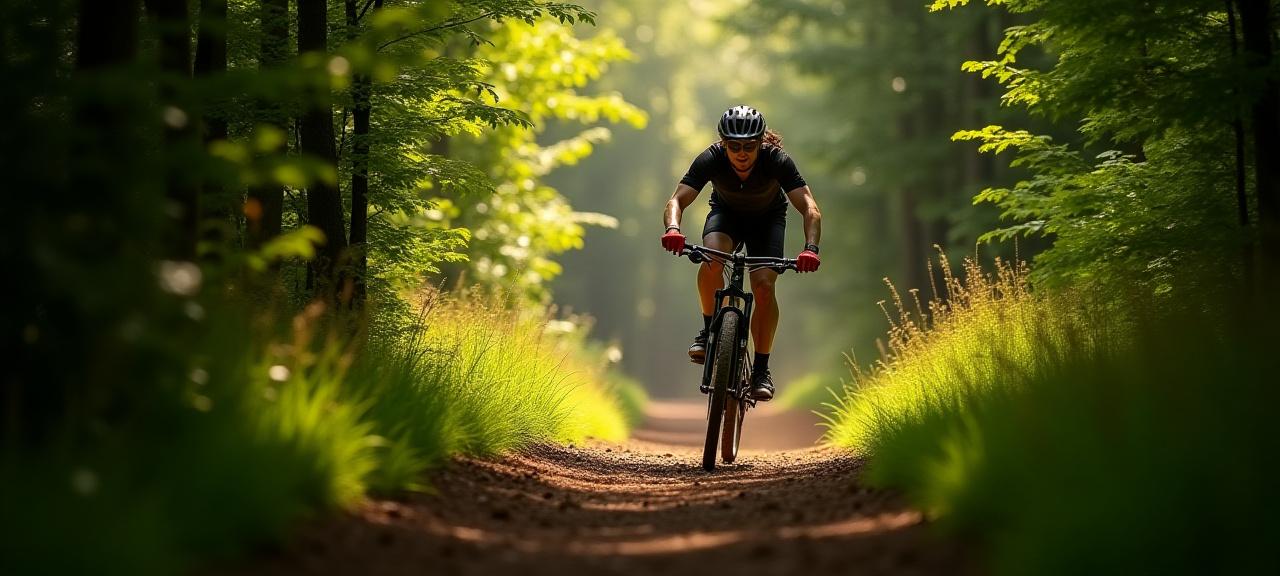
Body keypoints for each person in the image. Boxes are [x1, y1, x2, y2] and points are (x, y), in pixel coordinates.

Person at [660, 105, 822, 401]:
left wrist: (810, 248)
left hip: (768, 222)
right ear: (723, 144)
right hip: (726, 217)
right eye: (734, 146)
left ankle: (761, 371)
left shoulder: (777, 161)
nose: (742, 153)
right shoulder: (711, 158)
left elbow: (810, 208)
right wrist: (673, 229)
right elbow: (676, 201)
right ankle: (708, 332)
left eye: (749, 146)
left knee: (764, 286)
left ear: (761, 143)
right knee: (712, 259)